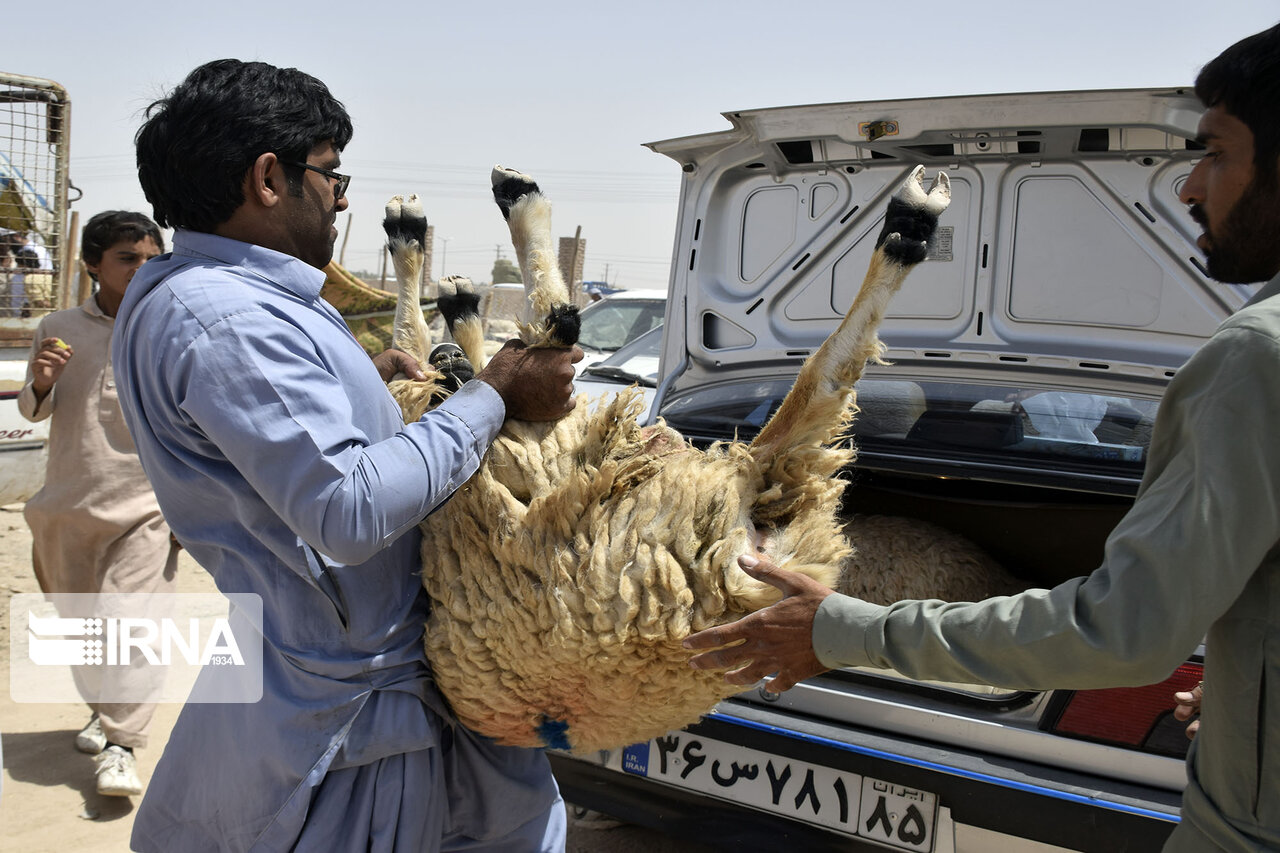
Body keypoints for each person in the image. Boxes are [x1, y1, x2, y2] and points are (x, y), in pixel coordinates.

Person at [685, 23, 1280, 853]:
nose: (1187, 188)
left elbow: (1126, 632)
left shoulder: (1258, 356)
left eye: (1214, 153)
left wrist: (846, 629)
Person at [114, 59, 580, 852]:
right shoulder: (226, 317)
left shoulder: (213, 295)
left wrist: (362, 383)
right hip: (358, 726)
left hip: (348, 683)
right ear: (268, 177)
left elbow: (271, 439)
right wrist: (495, 393)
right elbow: (348, 510)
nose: (342, 194)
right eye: (330, 173)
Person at [18, 210, 176, 798]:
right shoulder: (59, 328)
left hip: (145, 510)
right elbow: (34, 413)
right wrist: (38, 380)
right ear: (92, 264)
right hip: (65, 506)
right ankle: (103, 711)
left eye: (149, 257)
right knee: (85, 630)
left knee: (130, 627)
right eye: (126, 258)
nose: (140, 269)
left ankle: (121, 746)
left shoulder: (167, 327)